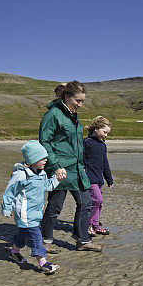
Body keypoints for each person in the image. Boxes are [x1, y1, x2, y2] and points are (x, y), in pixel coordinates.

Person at [38, 81, 102, 252]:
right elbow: (45, 142)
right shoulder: (53, 115)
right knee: (55, 206)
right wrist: (55, 166)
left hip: (77, 169)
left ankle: (82, 240)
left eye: (82, 101)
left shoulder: (72, 115)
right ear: (67, 97)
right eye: (78, 101)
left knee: (86, 202)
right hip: (60, 169)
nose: (80, 105)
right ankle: (45, 241)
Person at [1, 140, 61, 274]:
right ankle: (43, 263)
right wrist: (6, 208)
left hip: (35, 212)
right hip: (24, 213)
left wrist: (57, 179)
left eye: (46, 157)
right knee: (36, 236)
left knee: (22, 234)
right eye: (42, 158)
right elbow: (9, 191)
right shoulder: (21, 175)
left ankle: (14, 251)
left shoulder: (42, 173)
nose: (46, 160)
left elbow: (47, 186)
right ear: (33, 159)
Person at [83, 116, 113, 236]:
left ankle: (96, 226)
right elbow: (80, 159)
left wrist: (109, 178)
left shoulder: (102, 145)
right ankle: (88, 225)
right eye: (104, 132)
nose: (106, 135)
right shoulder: (86, 142)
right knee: (96, 200)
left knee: (99, 203)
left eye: (107, 133)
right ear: (96, 129)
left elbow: (105, 163)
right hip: (88, 178)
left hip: (98, 178)